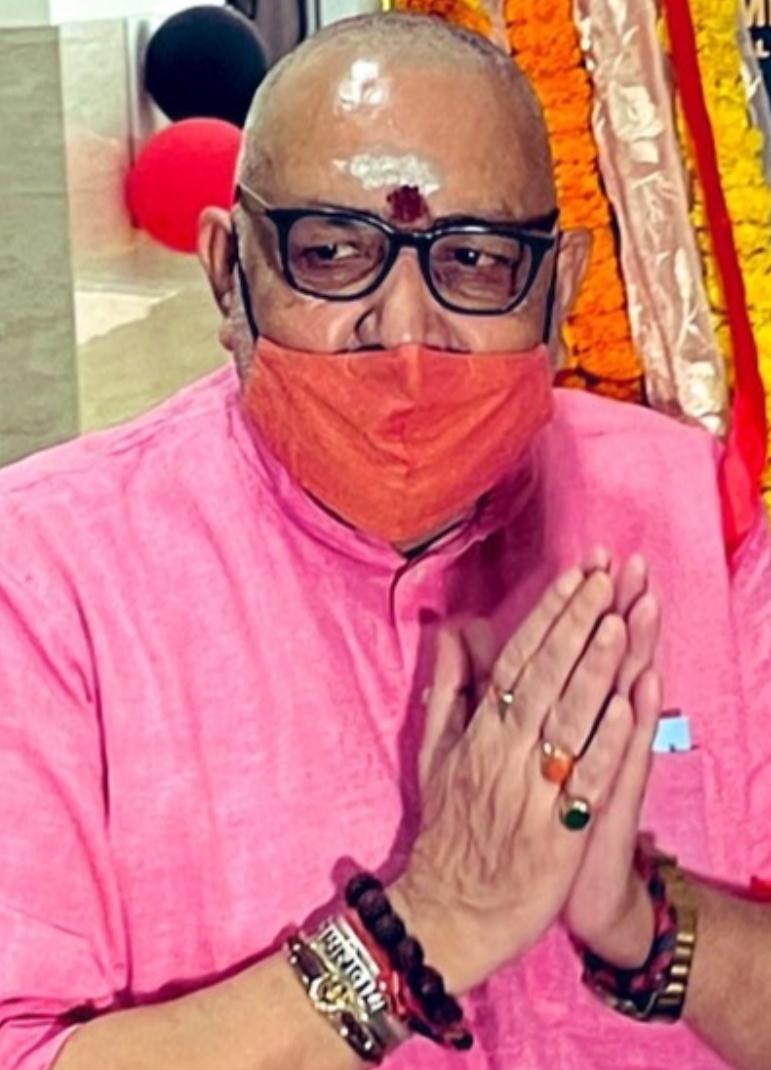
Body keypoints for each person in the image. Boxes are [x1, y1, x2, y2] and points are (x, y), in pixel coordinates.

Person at [1, 12, 770, 1070]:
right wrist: (423, 930)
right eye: (331, 254)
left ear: (559, 288)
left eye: (474, 260)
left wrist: (652, 926)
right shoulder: (45, 581)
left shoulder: (697, 518)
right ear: (228, 271)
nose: (404, 330)